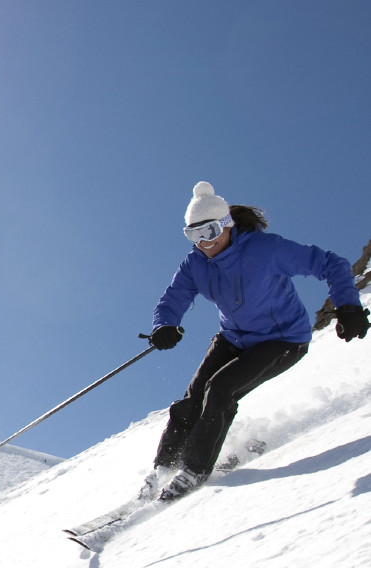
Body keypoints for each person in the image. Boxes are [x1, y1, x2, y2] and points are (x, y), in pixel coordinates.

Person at [144, 181, 369, 502]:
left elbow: (332, 263)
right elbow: (173, 298)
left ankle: (193, 470)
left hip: (282, 340)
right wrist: (165, 324)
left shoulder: (266, 249)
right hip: (233, 338)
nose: (203, 243)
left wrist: (348, 305)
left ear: (225, 225)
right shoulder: (195, 263)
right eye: (193, 236)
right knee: (191, 399)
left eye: (207, 232)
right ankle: (162, 470)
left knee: (220, 390)